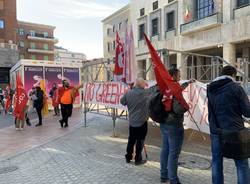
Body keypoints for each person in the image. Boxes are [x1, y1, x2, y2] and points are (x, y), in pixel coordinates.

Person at [207, 65, 250, 184]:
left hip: (216, 131)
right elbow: (247, 112)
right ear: (233, 75)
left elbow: (211, 111)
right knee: (241, 164)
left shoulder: (210, 88)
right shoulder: (236, 88)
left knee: (216, 162)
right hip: (235, 131)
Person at [160, 68, 194, 184]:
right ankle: (174, 180)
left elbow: (178, 88)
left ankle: (163, 175)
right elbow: (177, 108)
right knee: (173, 154)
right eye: (179, 75)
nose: (180, 77)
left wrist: (188, 83)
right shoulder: (174, 87)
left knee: (165, 150)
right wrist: (186, 106)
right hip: (174, 125)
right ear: (173, 76)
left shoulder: (164, 86)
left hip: (164, 123)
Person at [120, 78, 152, 165]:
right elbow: (153, 90)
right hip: (142, 122)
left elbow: (122, 101)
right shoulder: (145, 93)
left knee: (131, 140)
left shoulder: (129, 93)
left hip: (132, 122)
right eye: (144, 83)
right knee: (140, 141)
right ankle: (138, 159)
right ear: (141, 85)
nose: (145, 84)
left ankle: (128, 157)